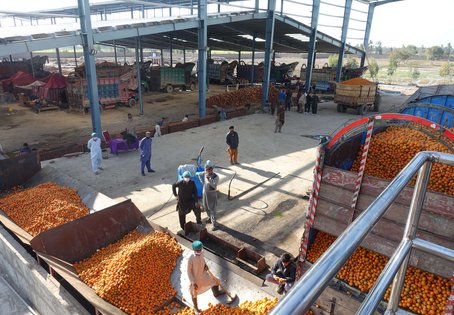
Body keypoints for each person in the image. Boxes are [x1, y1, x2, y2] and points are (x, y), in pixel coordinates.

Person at [187, 240, 225, 312]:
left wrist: (205, 265)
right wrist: (193, 282)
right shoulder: (191, 258)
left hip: (203, 274)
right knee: (194, 292)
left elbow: (202, 259)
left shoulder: (202, 252)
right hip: (196, 279)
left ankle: (216, 293)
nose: (199, 251)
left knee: (215, 280)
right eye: (197, 250)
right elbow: (189, 271)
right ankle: (196, 308)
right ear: (194, 250)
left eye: (200, 250)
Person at [197, 160, 219, 230]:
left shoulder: (215, 176)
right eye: (207, 169)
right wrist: (203, 181)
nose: (208, 170)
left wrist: (208, 179)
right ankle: (209, 218)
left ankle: (214, 224)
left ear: (212, 169)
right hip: (205, 193)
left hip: (211, 195)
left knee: (212, 209)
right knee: (206, 207)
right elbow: (199, 175)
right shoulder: (204, 173)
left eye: (210, 169)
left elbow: (214, 185)